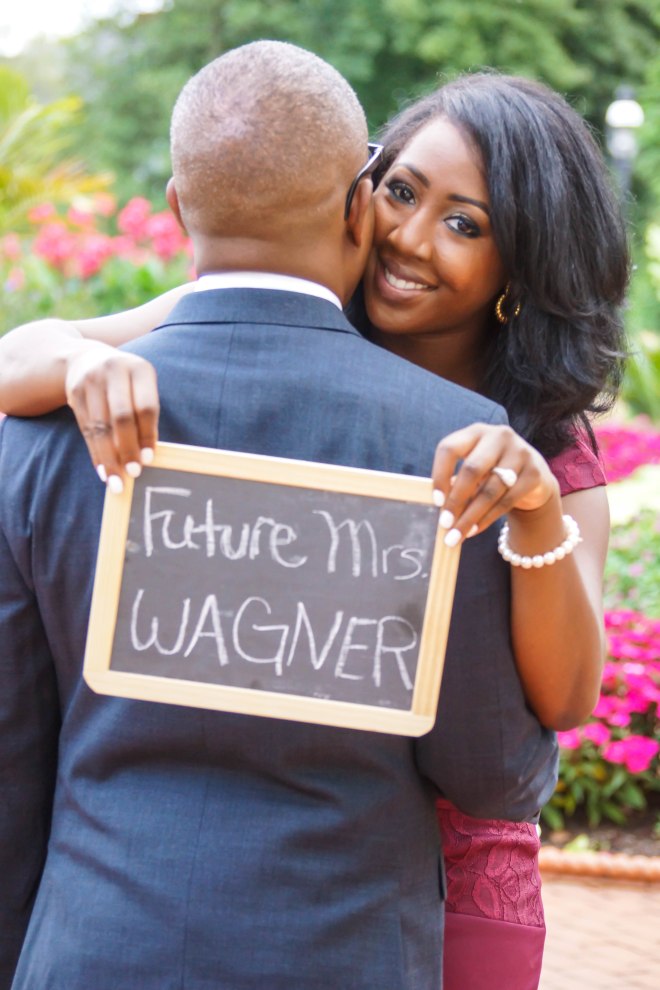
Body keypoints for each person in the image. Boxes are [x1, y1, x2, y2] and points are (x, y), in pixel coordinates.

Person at [0, 44, 562, 990]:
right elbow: (494, 772)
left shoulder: (46, 430)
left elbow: (11, 754)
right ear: (357, 207)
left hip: (94, 948)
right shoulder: (454, 445)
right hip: (343, 955)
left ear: (177, 206)